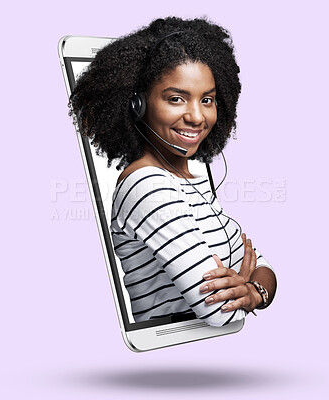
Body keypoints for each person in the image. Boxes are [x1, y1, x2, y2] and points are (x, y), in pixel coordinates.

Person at [69, 16, 277, 326]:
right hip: (169, 356)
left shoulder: (192, 181)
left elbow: (264, 269)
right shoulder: (147, 185)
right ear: (137, 104)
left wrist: (252, 290)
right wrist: (247, 292)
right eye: (176, 98)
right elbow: (219, 312)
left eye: (207, 99)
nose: (196, 116)